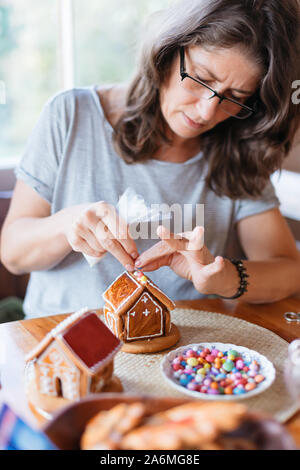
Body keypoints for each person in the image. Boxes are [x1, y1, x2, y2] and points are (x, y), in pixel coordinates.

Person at [1, 0, 300, 319]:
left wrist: (224, 277)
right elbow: (13, 254)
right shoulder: (71, 115)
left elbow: (287, 271)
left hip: (179, 348)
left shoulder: (240, 147)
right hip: (61, 337)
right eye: (200, 79)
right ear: (168, 52)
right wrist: (67, 225)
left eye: (235, 98)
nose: (206, 112)